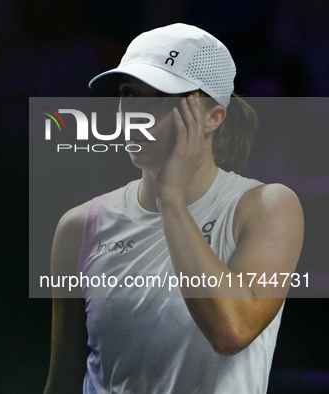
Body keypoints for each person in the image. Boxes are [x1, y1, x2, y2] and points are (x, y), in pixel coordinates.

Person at [43, 23, 304, 394]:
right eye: (129, 94)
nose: (136, 113)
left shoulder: (266, 207)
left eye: (162, 98)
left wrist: (170, 194)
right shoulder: (80, 225)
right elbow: (63, 382)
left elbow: (231, 331)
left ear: (213, 116)